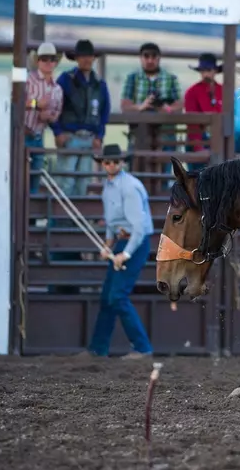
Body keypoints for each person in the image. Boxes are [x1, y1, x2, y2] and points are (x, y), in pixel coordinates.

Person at [86, 144, 154, 359]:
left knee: (117, 296)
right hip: (121, 242)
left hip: (136, 244)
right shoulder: (109, 186)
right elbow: (111, 223)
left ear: (122, 162)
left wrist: (125, 254)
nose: (111, 165)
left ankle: (142, 348)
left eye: (115, 161)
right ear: (103, 163)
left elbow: (139, 228)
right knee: (108, 297)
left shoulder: (130, 187)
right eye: (107, 162)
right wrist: (108, 246)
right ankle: (98, 350)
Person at [52, 39, 111, 196]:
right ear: (77, 59)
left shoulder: (100, 84)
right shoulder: (66, 79)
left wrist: (99, 136)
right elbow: (55, 106)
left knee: (83, 182)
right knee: (67, 182)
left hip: (89, 138)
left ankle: (72, 219)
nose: (86, 59)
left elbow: (104, 113)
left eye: (89, 56)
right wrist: (58, 132)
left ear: (93, 58)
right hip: (70, 136)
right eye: (82, 56)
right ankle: (64, 220)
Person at [24, 42, 63, 194]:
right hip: (24, 135)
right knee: (22, 178)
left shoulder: (57, 89)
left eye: (51, 59)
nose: (48, 62)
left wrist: (49, 117)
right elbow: (16, 101)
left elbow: (57, 113)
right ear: (38, 61)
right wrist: (36, 104)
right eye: (44, 59)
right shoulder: (28, 80)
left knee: (35, 179)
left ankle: (30, 216)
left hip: (38, 136)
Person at [183, 53, 224, 162]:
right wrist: (198, 147)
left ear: (215, 71)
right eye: (203, 71)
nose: (205, 74)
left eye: (208, 70)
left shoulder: (223, 91)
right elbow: (192, 123)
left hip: (218, 140)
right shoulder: (191, 92)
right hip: (199, 139)